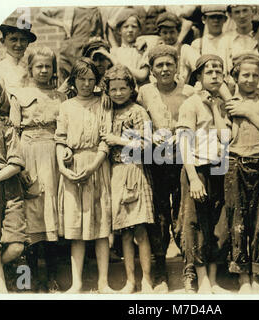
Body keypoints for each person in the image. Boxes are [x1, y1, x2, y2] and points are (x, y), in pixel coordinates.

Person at [137, 45, 196, 293]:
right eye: (159, 65)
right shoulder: (144, 92)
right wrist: (150, 135)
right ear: (151, 70)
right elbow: (135, 120)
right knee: (159, 217)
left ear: (177, 66)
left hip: (184, 160)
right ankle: (160, 271)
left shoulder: (190, 92)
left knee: (183, 216)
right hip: (156, 160)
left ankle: (189, 270)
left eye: (169, 64)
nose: (164, 69)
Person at [8, 47, 66, 292]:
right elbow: (13, 133)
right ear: (30, 68)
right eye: (39, 66)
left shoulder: (60, 97)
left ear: (53, 68)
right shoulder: (18, 95)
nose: (44, 70)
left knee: (50, 211)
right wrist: (19, 164)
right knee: (31, 212)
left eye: (48, 66)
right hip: (29, 153)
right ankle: (29, 279)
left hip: (53, 155)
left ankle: (51, 277)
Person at [55, 58, 114, 294]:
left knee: (101, 228)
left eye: (91, 79)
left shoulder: (103, 103)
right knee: (76, 228)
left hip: (97, 167)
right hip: (73, 169)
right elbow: (60, 139)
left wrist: (93, 166)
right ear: (73, 80)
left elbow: (105, 141)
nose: (87, 84)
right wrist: (62, 165)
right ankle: (77, 283)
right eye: (82, 79)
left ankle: (103, 282)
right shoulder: (66, 106)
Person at [224, 53, 259, 294]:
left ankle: (256, 274)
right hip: (235, 162)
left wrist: (248, 112)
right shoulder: (227, 100)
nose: (250, 79)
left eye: (255, 75)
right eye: (245, 74)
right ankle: (242, 276)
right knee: (237, 220)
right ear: (235, 76)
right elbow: (224, 136)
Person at [177, 55, 229, 294]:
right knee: (196, 224)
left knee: (218, 225)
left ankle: (214, 279)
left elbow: (225, 137)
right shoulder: (190, 104)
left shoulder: (223, 103)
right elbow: (184, 144)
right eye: (209, 72)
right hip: (196, 168)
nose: (215, 75)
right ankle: (202, 279)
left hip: (219, 168)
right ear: (198, 77)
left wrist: (216, 107)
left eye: (219, 71)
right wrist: (193, 177)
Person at [101, 65, 154, 294]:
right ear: (108, 90)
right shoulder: (106, 111)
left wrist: (118, 140)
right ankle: (130, 280)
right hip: (114, 173)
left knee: (140, 230)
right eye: (114, 89)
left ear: (132, 89)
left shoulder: (138, 111)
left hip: (134, 169)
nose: (119, 93)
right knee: (125, 232)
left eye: (123, 88)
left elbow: (148, 144)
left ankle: (147, 281)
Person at [0, 77, 26, 293]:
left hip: (9, 188)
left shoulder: (5, 126)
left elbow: (17, 163)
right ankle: (2, 291)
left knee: (16, 245)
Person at [36, 7, 104, 85]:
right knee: (66, 84)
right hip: (69, 52)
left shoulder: (98, 8)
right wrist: (61, 24)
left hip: (88, 53)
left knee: (87, 84)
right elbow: (39, 16)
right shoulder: (69, 6)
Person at [0, 16, 36, 116]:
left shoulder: (35, 68)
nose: (19, 45)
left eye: (23, 40)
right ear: (3, 41)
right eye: (13, 39)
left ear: (28, 42)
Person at [108, 8, 150, 86]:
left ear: (140, 30)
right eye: (126, 26)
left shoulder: (143, 51)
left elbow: (142, 75)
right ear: (119, 31)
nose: (130, 30)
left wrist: (119, 64)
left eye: (134, 26)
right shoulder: (114, 52)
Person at [155, 12, 200, 84]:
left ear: (178, 32)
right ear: (159, 33)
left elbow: (200, 68)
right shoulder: (156, 50)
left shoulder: (185, 49)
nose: (168, 36)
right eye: (165, 33)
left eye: (172, 32)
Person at [191, 5, 230, 77]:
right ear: (204, 19)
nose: (216, 20)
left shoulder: (231, 40)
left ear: (225, 19)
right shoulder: (198, 44)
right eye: (212, 17)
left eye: (219, 17)